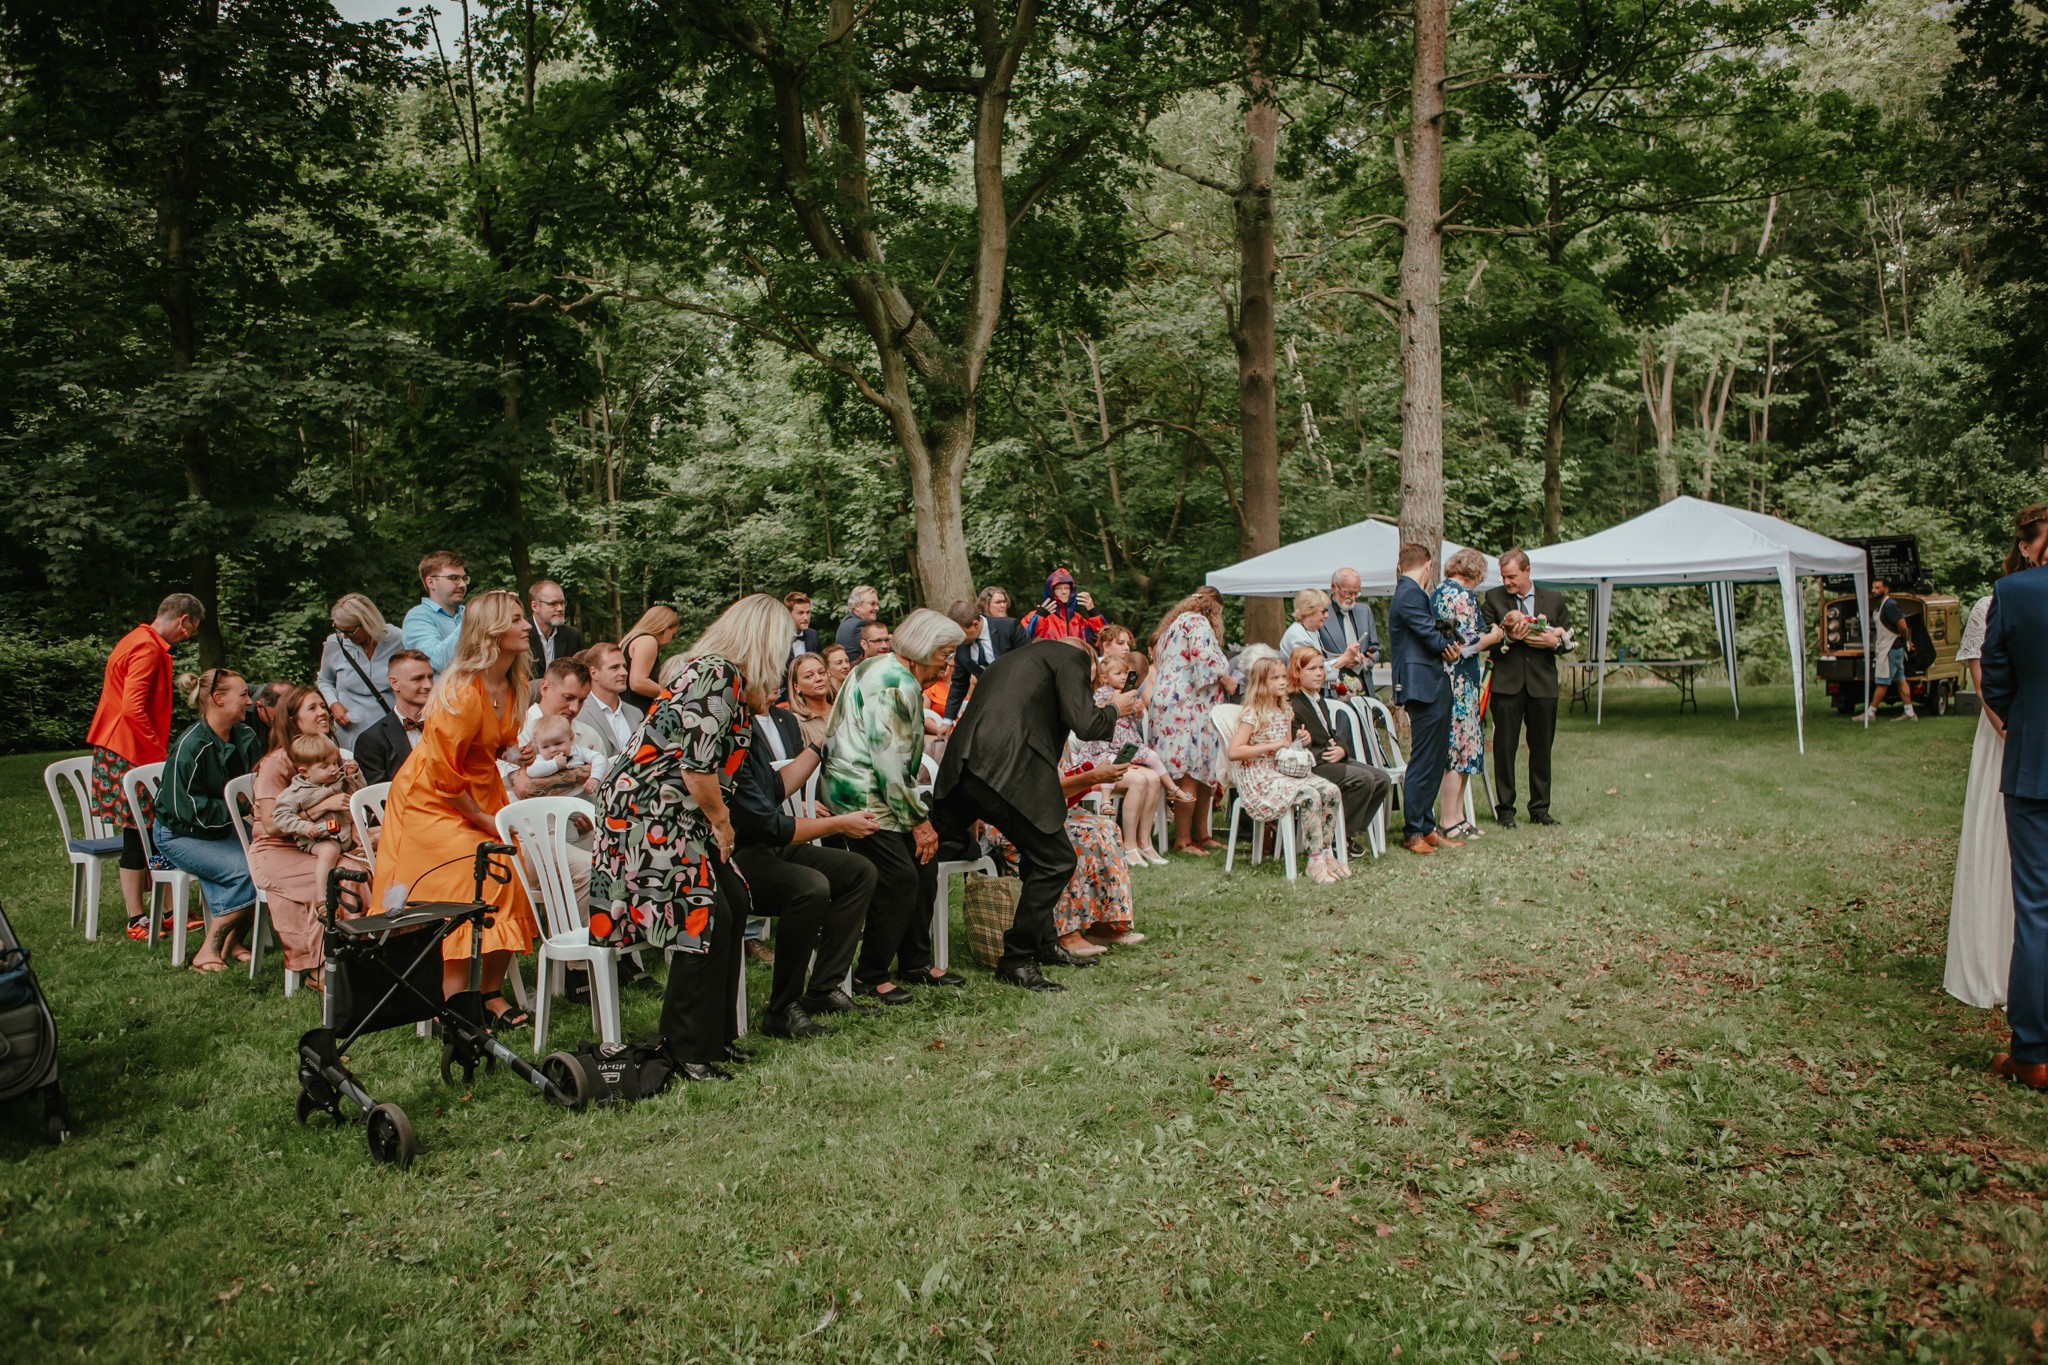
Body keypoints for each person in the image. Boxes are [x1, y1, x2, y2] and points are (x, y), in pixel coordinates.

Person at [591, 594, 792, 1080]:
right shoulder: (715, 673)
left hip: (679, 810)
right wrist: (722, 822)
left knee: (734, 904)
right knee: (702, 917)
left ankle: (716, 1038)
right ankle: (684, 1049)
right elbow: (696, 766)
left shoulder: (729, 678)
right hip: (647, 812)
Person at [369, 590, 540, 1029]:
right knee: (472, 876)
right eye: (516, 619)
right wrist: (484, 821)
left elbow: (490, 741)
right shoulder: (462, 690)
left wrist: (511, 752)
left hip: (479, 790)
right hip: (431, 802)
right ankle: (452, 1002)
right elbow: (444, 775)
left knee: (511, 871)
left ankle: (489, 993)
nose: (526, 626)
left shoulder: (516, 682)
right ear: (491, 631)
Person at [932, 638, 1140, 992]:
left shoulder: (1012, 661)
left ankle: (1043, 943)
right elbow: (1087, 724)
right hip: (1004, 772)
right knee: (1056, 860)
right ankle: (1017, 958)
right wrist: (1114, 709)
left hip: (968, 771)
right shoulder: (1073, 657)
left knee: (1036, 855)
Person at [822, 608, 966, 1002]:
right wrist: (919, 822)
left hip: (878, 790)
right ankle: (871, 974)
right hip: (860, 796)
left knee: (924, 863)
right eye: (945, 655)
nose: (948, 665)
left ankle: (915, 962)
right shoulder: (895, 687)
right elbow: (891, 765)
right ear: (921, 649)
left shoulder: (883, 665)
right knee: (900, 877)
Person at [729, 694, 883, 1038]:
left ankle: (823, 988)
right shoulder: (725, 734)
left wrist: (822, 742)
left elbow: (775, 788)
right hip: (737, 856)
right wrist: (838, 824)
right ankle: (782, 1009)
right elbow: (767, 825)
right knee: (810, 887)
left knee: (859, 872)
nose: (773, 686)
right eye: (766, 679)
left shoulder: (746, 726)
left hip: (769, 845)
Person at [85, 592, 203, 941]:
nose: (187, 637)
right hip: (128, 752)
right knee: (138, 833)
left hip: (121, 747)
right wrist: (160, 755)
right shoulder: (148, 647)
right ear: (183, 620)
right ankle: (137, 918)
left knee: (152, 829)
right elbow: (132, 709)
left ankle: (169, 912)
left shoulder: (137, 638)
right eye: (191, 630)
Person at [1981, 504, 2048, 1091]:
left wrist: (2025, 718)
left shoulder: (2014, 592)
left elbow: (1996, 680)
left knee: (2037, 909)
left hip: (2035, 765)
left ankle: (2033, 1055)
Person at [248, 685, 368, 991]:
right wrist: (321, 807)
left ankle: (366, 955)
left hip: (325, 839)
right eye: (312, 708)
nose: (323, 712)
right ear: (293, 720)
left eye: (323, 706)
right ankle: (323, 966)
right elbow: (272, 825)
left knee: (376, 857)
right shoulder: (276, 763)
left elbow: (355, 799)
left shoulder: (329, 755)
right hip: (279, 849)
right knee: (345, 873)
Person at [154, 668, 264, 972]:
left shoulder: (246, 735)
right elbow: (185, 809)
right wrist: (236, 808)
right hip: (181, 833)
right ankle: (208, 951)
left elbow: (255, 781)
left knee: (271, 858)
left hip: (224, 826)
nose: (250, 702)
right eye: (243, 695)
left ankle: (233, 943)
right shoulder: (190, 746)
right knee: (247, 870)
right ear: (218, 698)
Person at [1228, 654, 1348, 884]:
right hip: (1260, 777)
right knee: (1310, 795)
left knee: (1331, 790)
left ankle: (1325, 851)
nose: (1283, 682)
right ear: (1261, 683)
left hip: (1283, 771)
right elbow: (1234, 751)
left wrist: (1301, 741)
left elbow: (1287, 749)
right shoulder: (1253, 714)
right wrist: (1270, 746)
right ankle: (1314, 860)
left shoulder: (1285, 710)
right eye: (1275, 678)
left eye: (1283, 677)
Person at [1482, 547, 1570, 829]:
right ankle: (1505, 810)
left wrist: (1554, 643)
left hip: (1542, 685)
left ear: (1527, 571)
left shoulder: (1553, 599)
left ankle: (1540, 809)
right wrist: (1508, 638)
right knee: (1505, 748)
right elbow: (1484, 638)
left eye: (1512, 576)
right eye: (1503, 577)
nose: (1507, 582)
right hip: (1506, 684)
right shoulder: (1493, 598)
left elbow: (1567, 637)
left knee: (1542, 747)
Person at [1146, 589, 1239, 855]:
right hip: (1189, 707)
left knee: (1205, 772)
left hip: (1174, 706)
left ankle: (1202, 834)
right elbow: (1204, 659)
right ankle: (1184, 840)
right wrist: (1227, 680)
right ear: (1214, 609)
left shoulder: (1171, 627)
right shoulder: (1197, 622)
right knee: (1192, 769)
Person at [1069, 648, 1180, 867]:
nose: (1122, 677)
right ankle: (1129, 845)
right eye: (1117, 673)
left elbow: (1134, 723)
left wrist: (1136, 710)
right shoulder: (1096, 695)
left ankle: (1144, 842)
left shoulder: (1126, 694)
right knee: (1139, 780)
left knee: (1153, 778)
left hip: (1120, 750)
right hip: (1099, 757)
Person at [1391, 544, 1464, 855]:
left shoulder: (1411, 593)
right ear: (1429, 565)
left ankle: (1427, 826)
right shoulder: (1409, 593)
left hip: (1430, 683)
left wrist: (1446, 644)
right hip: (1421, 685)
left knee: (1436, 757)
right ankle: (1413, 832)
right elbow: (1430, 637)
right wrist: (1451, 644)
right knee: (1424, 759)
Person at [1287, 647, 1392, 858]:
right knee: (1362, 779)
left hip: (1331, 758)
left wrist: (1342, 749)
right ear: (1297, 672)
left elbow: (1332, 733)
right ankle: (1334, 839)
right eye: (1312, 669)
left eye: (1321, 668)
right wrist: (1325, 750)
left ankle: (1346, 833)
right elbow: (1294, 744)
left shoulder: (1317, 699)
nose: (1319, 673)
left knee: (1382, 779)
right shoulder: (1292, 703)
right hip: (1314, 764)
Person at [1433, 548, 1505, 840]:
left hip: (1448, 679)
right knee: (1458, 748)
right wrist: (1494, 637)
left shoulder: (1438, 592)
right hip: (1459, 681)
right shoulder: (1462, 595)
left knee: (1460, 747)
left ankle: (1458, 816)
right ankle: (1449, 819)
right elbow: (1465, 643)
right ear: (1475, 572)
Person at [1045, 761, 1142, 956]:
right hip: (1020, 818)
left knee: (1107, 829)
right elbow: (1041, 790)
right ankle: (1067, 932)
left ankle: (1102, 926)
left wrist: (1089, 775)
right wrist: (1092, 777)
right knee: (1077, 837)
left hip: (1052, 811)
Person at [268, 734, 366, 896]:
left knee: (382, 832)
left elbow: (359, 794)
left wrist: (353, 776)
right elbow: (280, 816)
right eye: (324, 766)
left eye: (335, 762)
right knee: (329, 851)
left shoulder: (340, 780)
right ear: (305, 772)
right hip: (318, 839)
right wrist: (303, 826)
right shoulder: (295, 793)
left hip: (345, 833)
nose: (333, 769)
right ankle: (324, 897)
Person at [317, 593, 402, 749]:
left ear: (367, 623)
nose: (345, 636)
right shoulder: (336, 643)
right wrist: (333, 704)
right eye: (339, 629)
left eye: (350, 631)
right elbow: (324, 680)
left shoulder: (398, 639)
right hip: (351, 731)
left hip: (389, 728)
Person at [352, 649, 434, 786]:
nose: (428, 685)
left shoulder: (447, 726)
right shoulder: (371, 740)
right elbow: (377, 794)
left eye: (430, 677)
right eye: (418, 679)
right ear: (395, 683)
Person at [576, 642, 644, 772]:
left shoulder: (636, 714)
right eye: (614, 667)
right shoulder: (578, 713)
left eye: (624, 666)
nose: (624, 672)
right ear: (594, 673)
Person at [401, 550, 469, 673]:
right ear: (431, 582)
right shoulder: (417, 617)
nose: (462, 584)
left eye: (464, 578)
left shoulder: (467, 614)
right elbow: (438, 661)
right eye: (454, 578)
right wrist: (473, 619)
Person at [1318, 568, 1380, 698]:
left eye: (1356, 593)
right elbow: (1315, 655)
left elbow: (1375, 649)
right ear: (1333, 587)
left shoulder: (1364, 611)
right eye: (1347, 593)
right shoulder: (1321, 613)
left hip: (1364, 686)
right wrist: (1344, 659)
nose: (1352, 598)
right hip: (1335, 688)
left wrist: (1367, 659)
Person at [1864, 578, 1917, 723]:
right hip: (1892, 647)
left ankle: (1871, 713)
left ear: (1886, 589)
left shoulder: (1890, 605)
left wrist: (1904, 639)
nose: (1873, 590)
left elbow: (1902, 625)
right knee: (1900, 680)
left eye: (1877, 588)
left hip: (1890, 648)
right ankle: (1910, 713)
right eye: (1873, 587)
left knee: (1882, 681)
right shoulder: (1881, 605)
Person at [618, 604, 680, 713]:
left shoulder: (630, 640)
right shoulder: (648, 641)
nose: (671, 640)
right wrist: (669, 694)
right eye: (673, 635)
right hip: (636, 711)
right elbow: (638, 682)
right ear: (665, 627)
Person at [1020, 567, 1105, 642]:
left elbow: (1102, 640)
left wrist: (1093, 612)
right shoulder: (1035, 616)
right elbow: (1021, 640)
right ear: (1051, 591)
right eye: (1058, 588)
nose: (1064, 592)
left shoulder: (1078, 620)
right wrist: (1038, 618)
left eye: (1067, 588)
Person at [523, 714, 597, 794]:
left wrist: (595, 778)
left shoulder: (578, 751)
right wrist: (555, 764)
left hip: (581, 796)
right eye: (545, 747)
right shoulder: (541, 759)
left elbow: (598, 757)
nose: (553, 750)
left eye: (558, 743)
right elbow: (530, 771)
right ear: (538, 746)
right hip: (555, 799)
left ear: (571, 739)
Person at [526, 579, 584, 676]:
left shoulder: (573, 636)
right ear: (535, 606)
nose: (560, 609)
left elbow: (579, 675)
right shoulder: (521, 634)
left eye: (562, 603)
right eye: (553, 604)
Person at [782, 652, 834, 749]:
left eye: (822, 673)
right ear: (796, 686)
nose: (818, 679)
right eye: (809, 676)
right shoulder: (796, 722)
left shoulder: (843, 709)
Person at [1280, 589, 1331, 662]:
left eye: (1327, 611)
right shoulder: (1297, 636)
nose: (1327, 615)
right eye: (1323, 611)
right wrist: (1344, 659)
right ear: (1308, 612)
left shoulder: (1312, 630)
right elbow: (1312, 666)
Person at [836, 585, 880, 653]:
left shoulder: (848, 621)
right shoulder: (859, 625)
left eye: (877, 604)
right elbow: (879, 650)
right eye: (872, 604)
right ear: (857, 606)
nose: (877, 608)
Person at [784, 592, 821, 659]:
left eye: (808, 612)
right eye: (800, 613)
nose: (806, 618)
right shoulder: (778, 638)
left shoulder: (813, 636)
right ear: (788, 615)